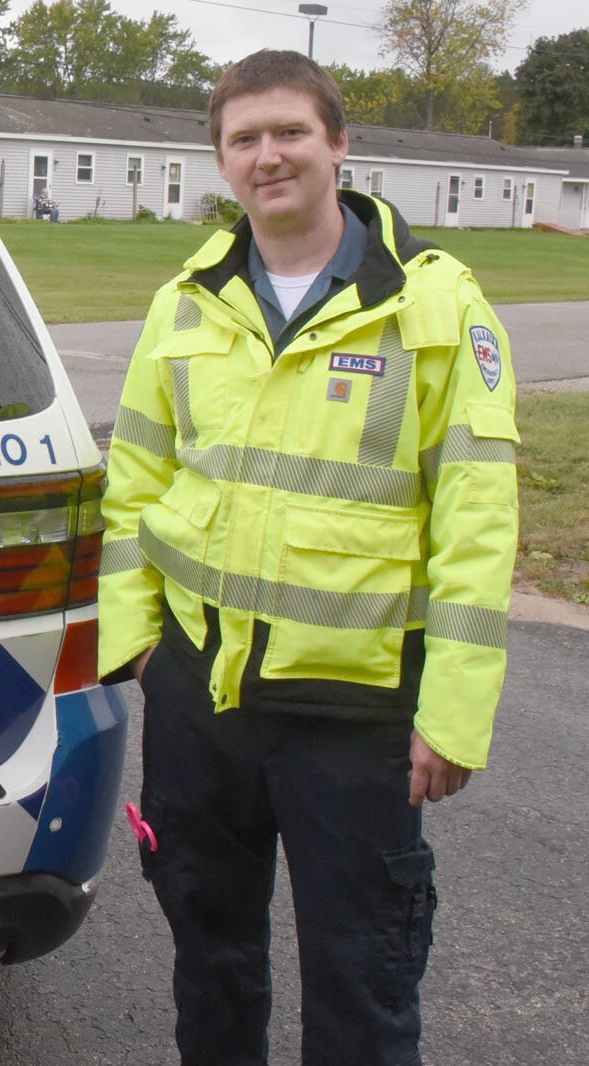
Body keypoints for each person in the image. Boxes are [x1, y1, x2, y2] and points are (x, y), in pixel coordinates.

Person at [98, 50, 519, 1066]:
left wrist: (454, 712)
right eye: (243, 139)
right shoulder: (186, 301)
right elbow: (135, 482)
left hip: (357, 707)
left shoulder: (435, 305)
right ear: (221, 161)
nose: (267, 155)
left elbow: (478, 516)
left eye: (288, 131)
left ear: (339, 143)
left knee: (363, 975)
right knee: (211, 959)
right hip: (202, 693)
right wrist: (141, 651)